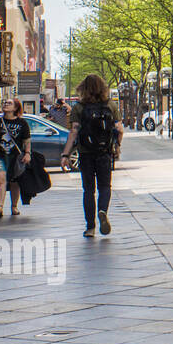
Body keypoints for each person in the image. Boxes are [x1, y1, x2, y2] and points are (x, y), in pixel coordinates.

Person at [61, 74, 125, 238]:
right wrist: (117, 146)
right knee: (105, 187)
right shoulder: (110, 105)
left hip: (85, 153)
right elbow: (119, 129)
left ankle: (90, 227)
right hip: (104, 153)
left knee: (88, 190)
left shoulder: (79, 108)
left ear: (83, 88)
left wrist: (66, 154)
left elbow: (74, 131)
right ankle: (103, 210)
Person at [0, 97, 30, 218]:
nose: (6, 104)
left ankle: (14, 206)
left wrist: (28, 153)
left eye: (9, 103)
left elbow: (27, 140)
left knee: (14, 182)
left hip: (15, 157)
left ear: (16, 107)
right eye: (5, 103)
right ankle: (0, 207)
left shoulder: (22, 123)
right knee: (0, 180)